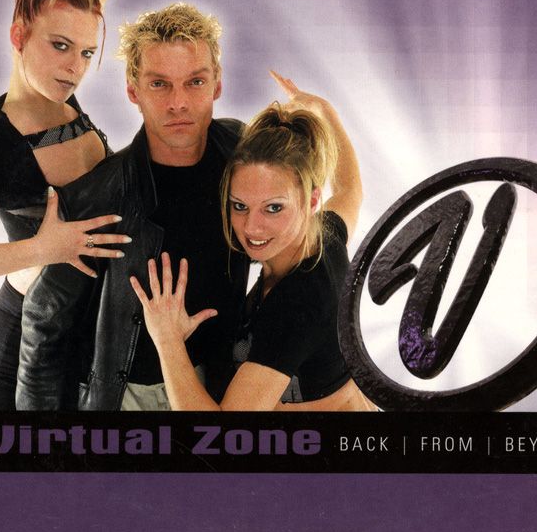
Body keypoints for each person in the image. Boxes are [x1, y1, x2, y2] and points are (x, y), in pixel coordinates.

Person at [0, 0, 173, 410]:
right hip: (11, 354)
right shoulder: (3, 147)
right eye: (60, 48)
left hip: (71, 341)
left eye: (86, 53)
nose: (75, 68)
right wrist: (40, 249)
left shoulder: (57, 95)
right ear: (18, 37)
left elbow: (70, 23)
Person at [16, 2, 250, 411]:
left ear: (217, 83)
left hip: (220, 379)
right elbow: (44, 323)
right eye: (159, 84)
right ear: (133, 90)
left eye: (195, 82)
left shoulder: (243, 152)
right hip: (129, 395)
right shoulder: (97, 195)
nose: (178, 103)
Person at [130, 73, 374, 410]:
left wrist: (168, 341)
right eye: (240, 206)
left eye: (273, 208)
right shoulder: (324, 236)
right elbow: (350, 189)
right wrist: (323, 109)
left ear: (312, 200)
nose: (252, 227)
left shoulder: (296, 305)